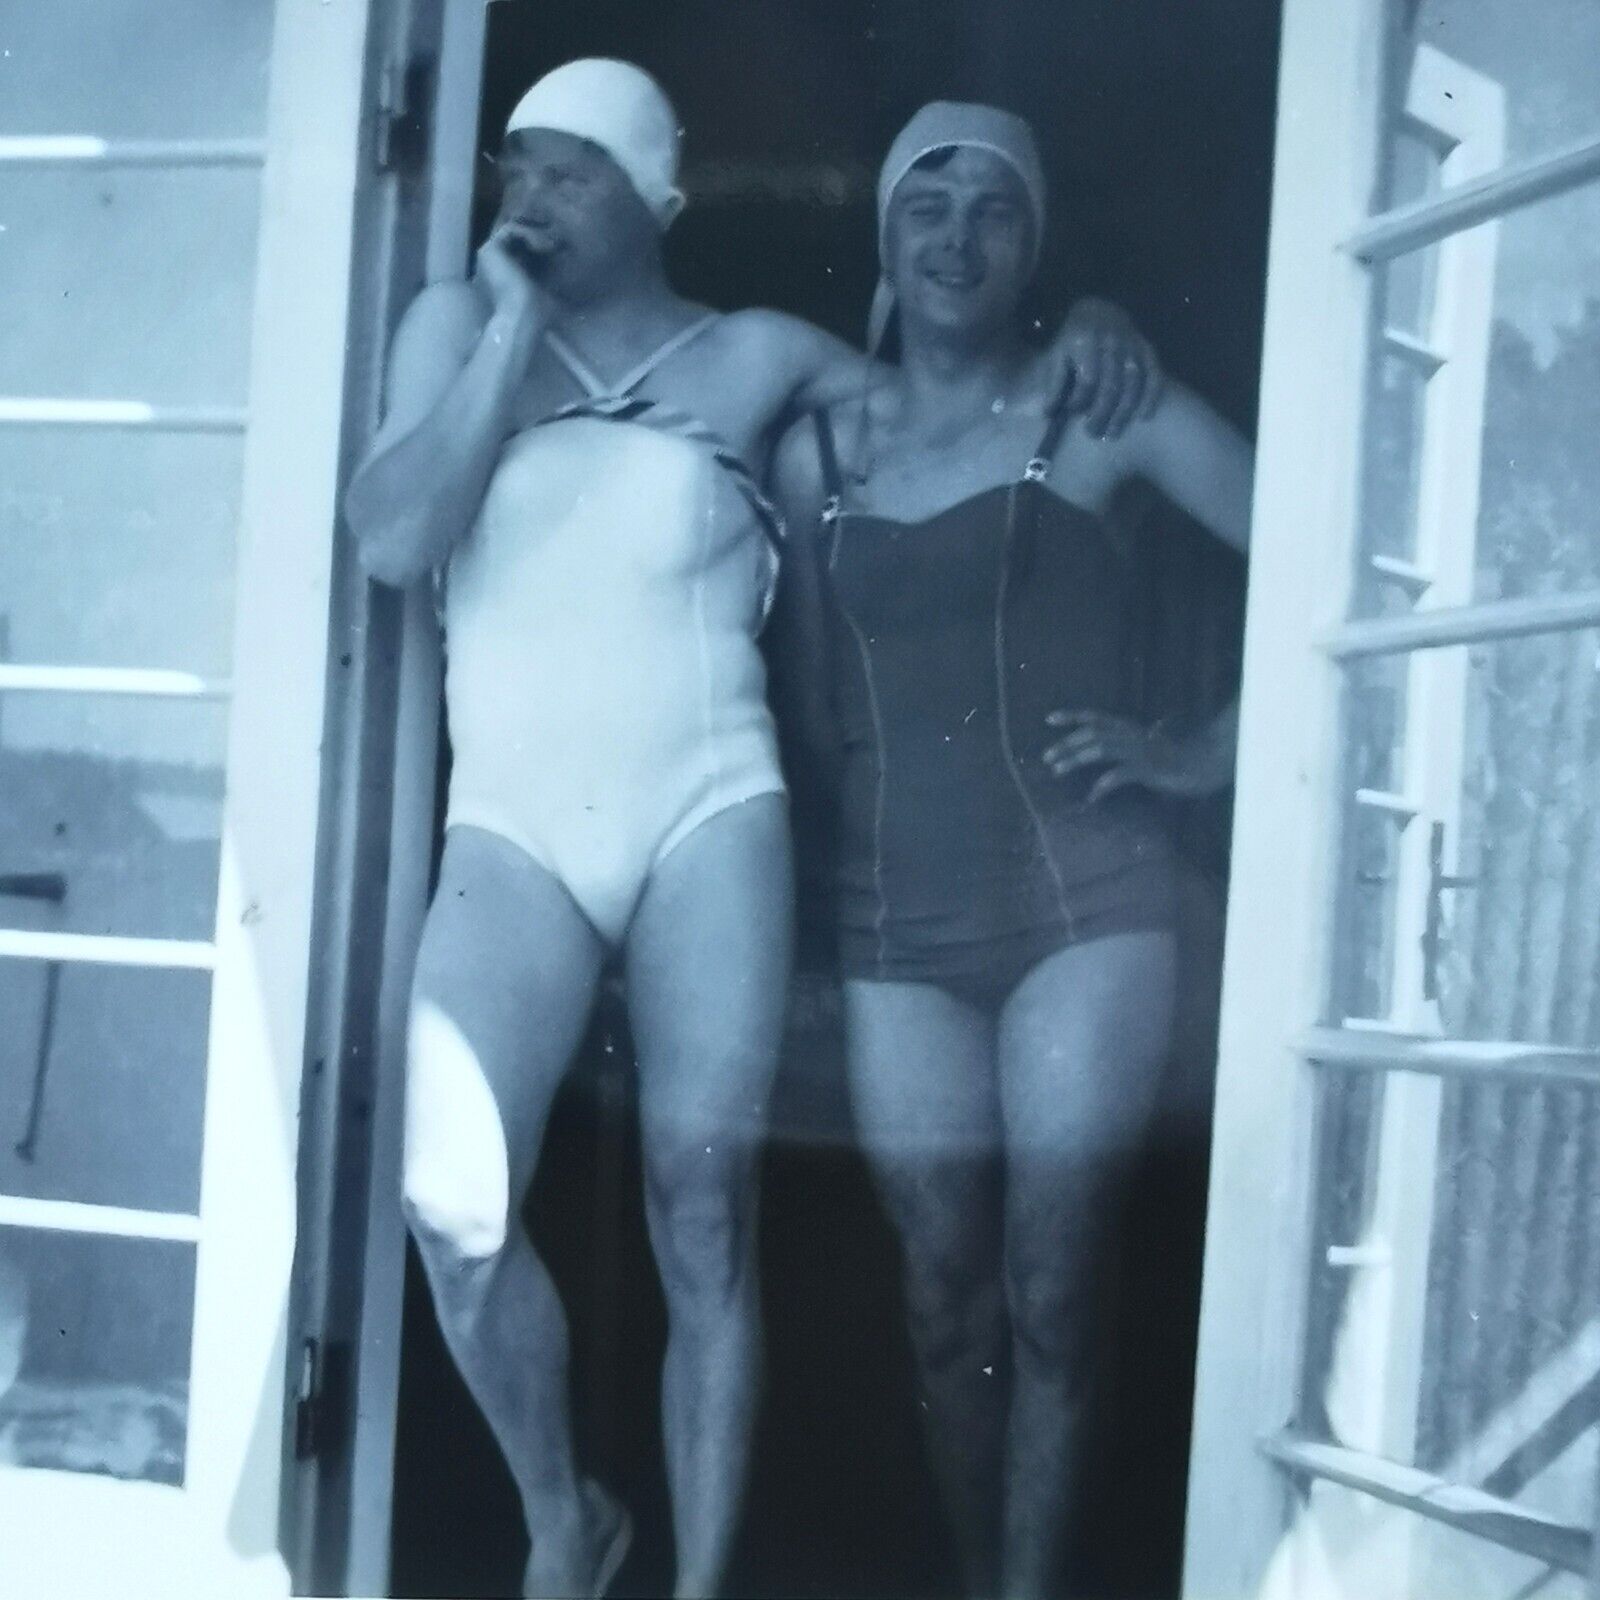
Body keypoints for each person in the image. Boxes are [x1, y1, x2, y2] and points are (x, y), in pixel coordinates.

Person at [344, 59, 1156, 1599]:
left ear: (659, 195)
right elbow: (393, 539)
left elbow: (967, 400)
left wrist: (1091, 325)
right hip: (516, 827)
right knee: (451, 1201)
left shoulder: (762, 356)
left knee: (699, 1211)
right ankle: (564, 1517)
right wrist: (513, 323)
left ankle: (702, 1582)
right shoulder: (456, 330)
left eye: (574, 169)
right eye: (516, 164)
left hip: (709, 810)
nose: (531, 191)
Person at [771, 102, 1253, 1600]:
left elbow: (1337, 538)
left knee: (1049, 1280)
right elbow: (802, 713)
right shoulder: (815, 451)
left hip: (1084, 905)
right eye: (929, 203)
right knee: (938, 1295)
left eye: (994, 210)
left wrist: (1202, 750)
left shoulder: (1095, 401)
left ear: (1034, 243)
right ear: (887, 236)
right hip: (891, 919)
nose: (957, 237)